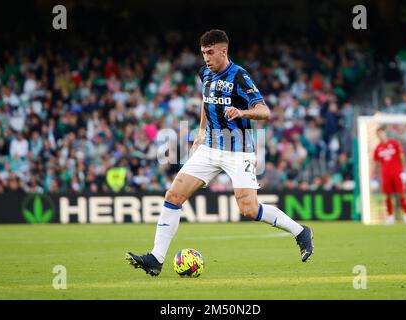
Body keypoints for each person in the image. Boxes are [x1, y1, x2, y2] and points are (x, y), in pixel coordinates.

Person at [126, 30, 314, 276]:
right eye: (203, 52)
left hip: (238, 150)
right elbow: (206, 102)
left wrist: (242, 112)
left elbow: (264, 111)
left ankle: (301, 232)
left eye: (210, 52)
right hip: (210, 147)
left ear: (223, 51)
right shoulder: (204, 73)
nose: (206, 57)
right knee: (173, 195)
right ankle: (156, 258)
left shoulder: (240, 76)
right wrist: (201, 132)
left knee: (248, 208)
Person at [373, 127, 406, 225]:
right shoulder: (378, 148)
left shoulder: (394, 143)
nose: (381, 136)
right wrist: (373, 176)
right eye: (379, 134)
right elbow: (376, 163)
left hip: (397, 173)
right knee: (387, 195)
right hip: (385, 175)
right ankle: (390, 216)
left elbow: (401, 157)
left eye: (382, 133)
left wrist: (403, 171)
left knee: (402, 193)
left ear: (385, 134)